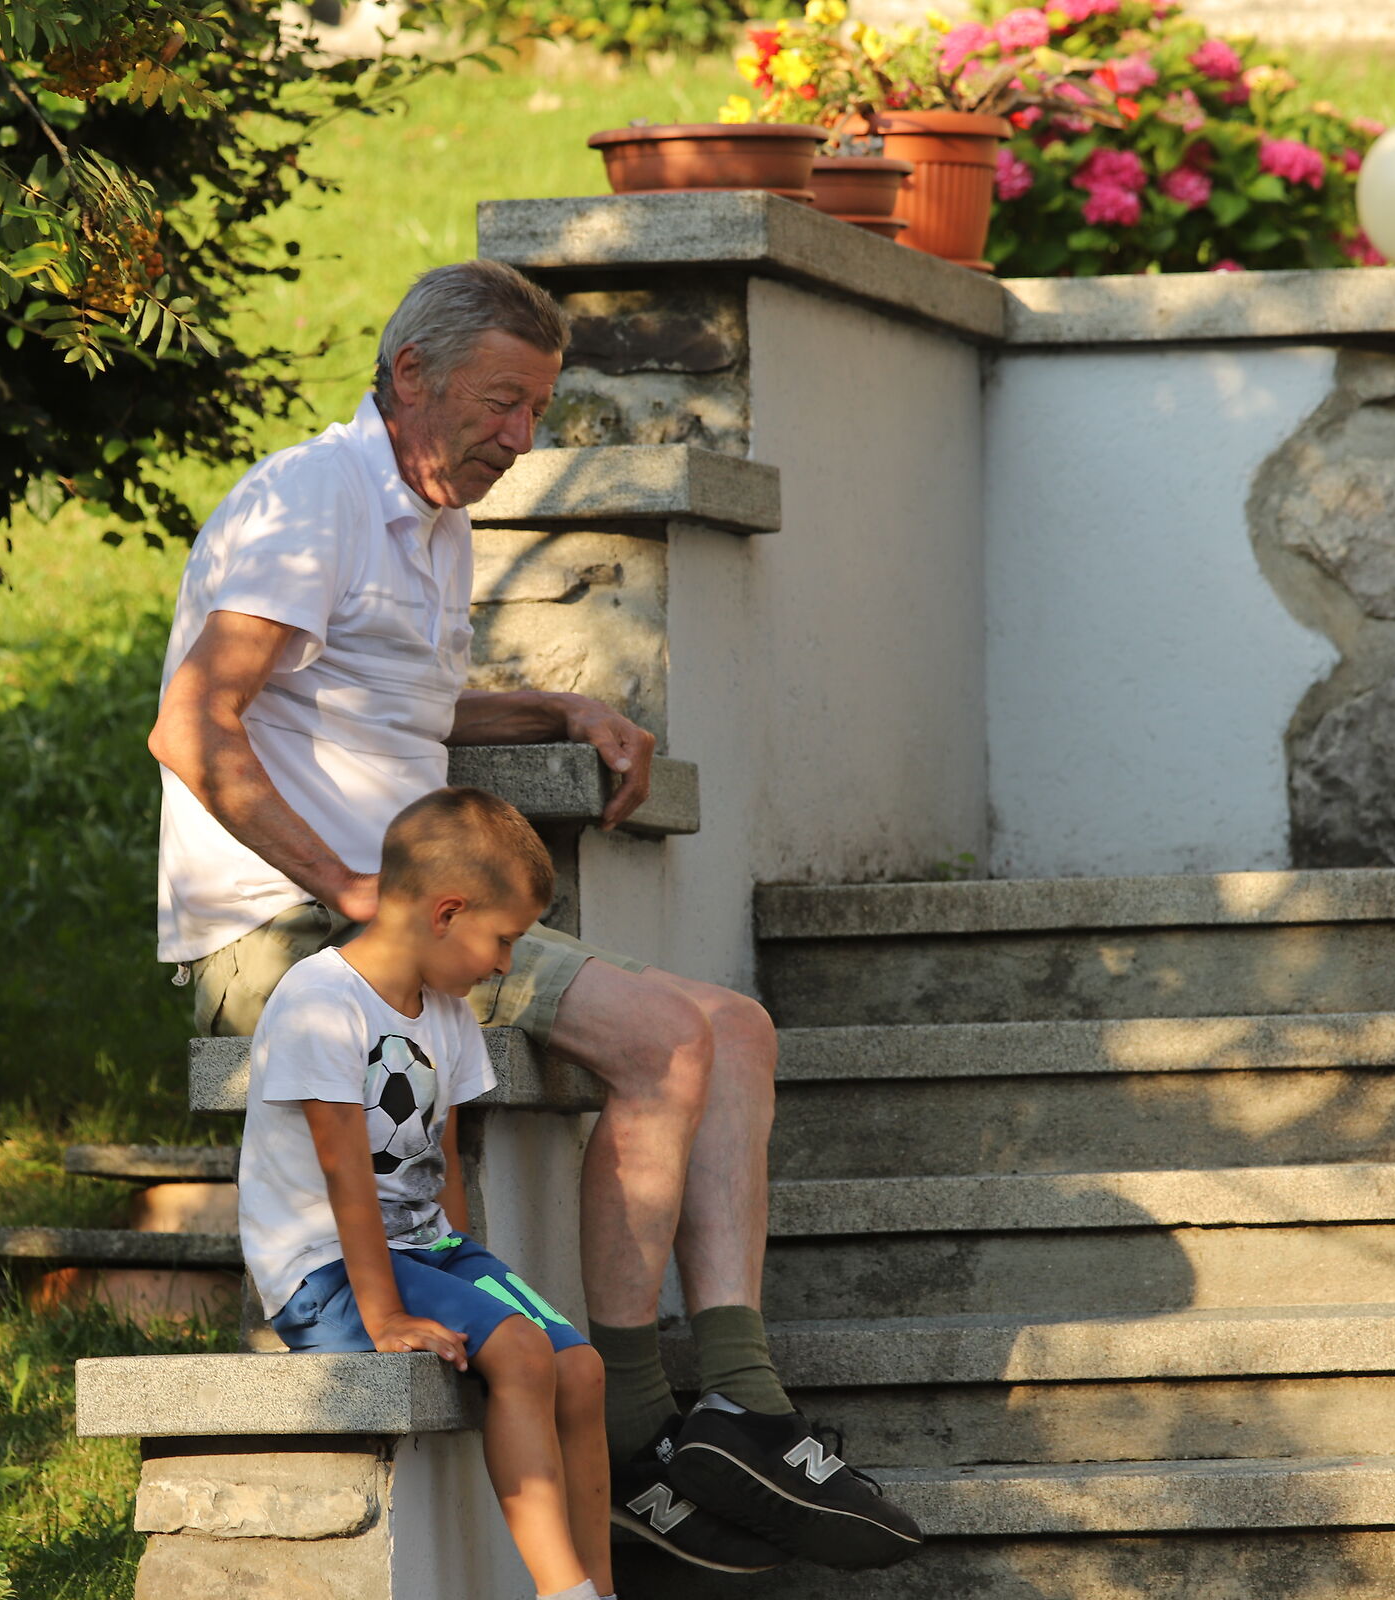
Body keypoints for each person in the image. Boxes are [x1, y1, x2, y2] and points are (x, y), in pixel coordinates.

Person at [152, 258, 920, 1572]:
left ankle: (738, 1401)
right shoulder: (311, 502)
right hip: (289, 930)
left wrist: (560, 710)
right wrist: (348, 898)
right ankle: (634, 1432)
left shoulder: (429, 522)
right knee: (666, 1042)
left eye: (534, 410)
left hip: (404, 908)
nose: (523, 441)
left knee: (733, 1026)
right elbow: (191, 725)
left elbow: (401, 700)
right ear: (411, 377)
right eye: (501, 406)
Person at [240, 788, 611, 1600]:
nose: (506, 963)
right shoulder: (319, 1001)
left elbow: (440, 1174)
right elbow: (346, 1179)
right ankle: (563, 1595)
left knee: (578, 1370)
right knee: (516, 1351)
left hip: (418, 1250)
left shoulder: (445, 1015)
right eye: (504, 939)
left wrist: (461, 1284)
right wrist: (389, 1317)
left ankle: (603, 1589)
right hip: (328, 1272)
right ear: (446, 911)